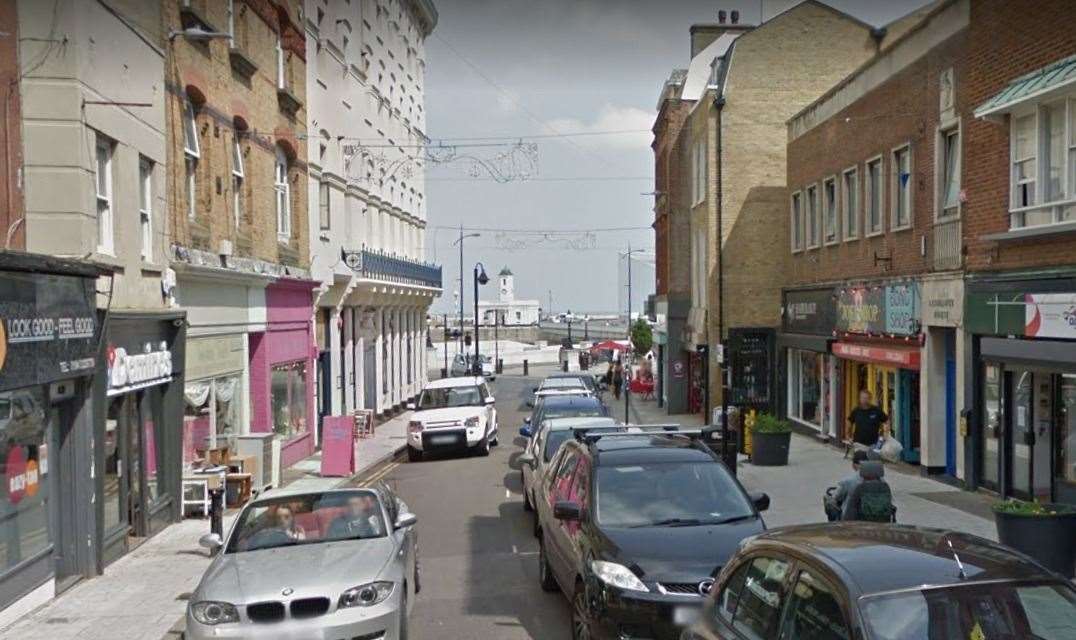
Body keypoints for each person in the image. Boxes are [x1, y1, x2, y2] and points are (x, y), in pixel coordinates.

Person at [824, 450, 868, 521]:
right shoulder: (882, 482)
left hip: (851, 520)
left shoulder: (848, 481)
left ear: (854, 465)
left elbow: (836, 497)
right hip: (878, 520)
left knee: (828, 500)